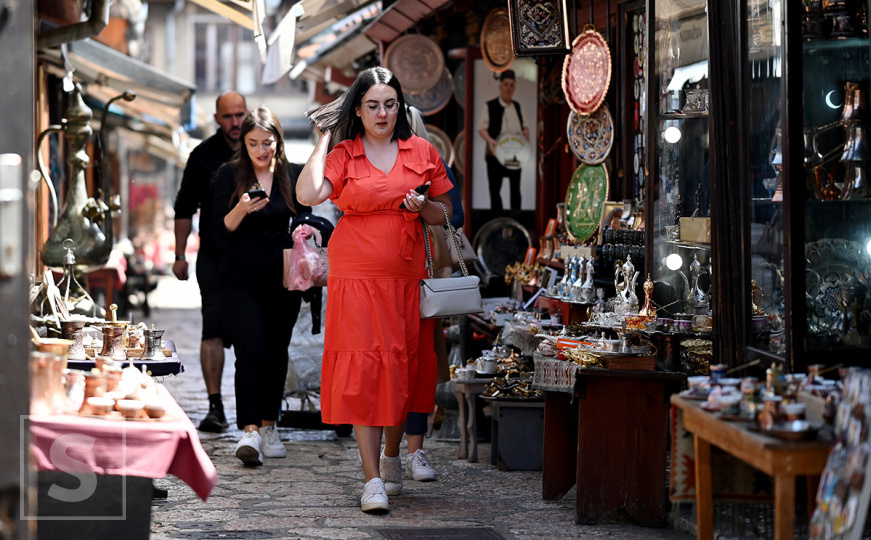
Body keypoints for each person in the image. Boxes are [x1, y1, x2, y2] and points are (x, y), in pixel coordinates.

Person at [297, 67, 453, 513]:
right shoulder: (344, 153)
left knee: (399, 369)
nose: (382, 113)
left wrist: (424, 207)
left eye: (389, 104)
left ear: (399, 108)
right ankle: (371, 480)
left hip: (404, 273)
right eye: (372, 105)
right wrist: (323, 138)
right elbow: (309, 194)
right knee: (367, 371)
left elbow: (445, 213)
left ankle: (391, 457)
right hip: (355, 275)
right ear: (358, 109)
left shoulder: (422, 150)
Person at [212, 106, 310, 466]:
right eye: (253, 143)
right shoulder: (229, 175)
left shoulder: (292, 175)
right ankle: (250, 430)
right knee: (250, 350)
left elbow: (308, 216)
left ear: (278, 141)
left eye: (267, 143)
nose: (261, 150)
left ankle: (270, 425)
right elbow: (217, 231)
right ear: (244, 143)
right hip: (239, 278)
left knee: (276, 352)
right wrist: (240, 208)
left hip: (283, 279)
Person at [376, 107, 466, 496]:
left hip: (426, 275)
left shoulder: (429, 159)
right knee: (382, 363)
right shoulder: (368, 162)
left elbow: (455, 215)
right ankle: (387, 453)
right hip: (381, 276)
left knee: (420, 365)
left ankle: (414, 451)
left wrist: (423, 207)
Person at [172, 91, 247, 433]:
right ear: (217, 119)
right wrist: (178, 255)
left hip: (254, 257)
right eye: (228, 116)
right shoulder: (202, 155)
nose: (235, 123)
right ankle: (215, 406)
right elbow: (184, 207)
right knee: (212, 328)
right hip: (214, 257)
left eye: (240, 115)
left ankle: (259, 411)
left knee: (253, 332)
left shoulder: (259, 148)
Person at [477, 69, 529, 211]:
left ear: (514, 88)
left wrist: (526, 133)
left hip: (515, 155)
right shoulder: (490, 106)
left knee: (515, 189)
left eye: (511, 85)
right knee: (495, 190)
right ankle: (497, 220)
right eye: (506, 84)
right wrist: (490, 140)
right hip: (495, 155)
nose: (508, 88)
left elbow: (525, 127)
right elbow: (481, 128)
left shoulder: (517, 106)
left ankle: (516, 220)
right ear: (500, 86)